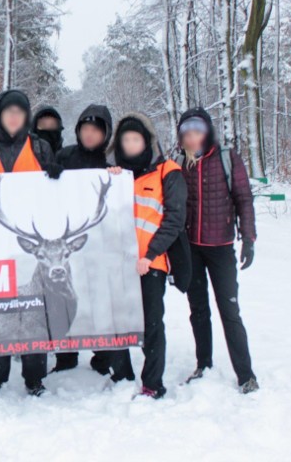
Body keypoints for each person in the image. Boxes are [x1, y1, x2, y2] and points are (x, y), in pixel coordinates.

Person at [0, 89, 63, 396]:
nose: (15, 116)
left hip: (31, 242)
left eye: (21, 111)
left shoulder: (39, 145)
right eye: (9, 111)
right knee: (1, 310)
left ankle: (35, 377)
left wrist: (58, 175)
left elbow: (56, 195)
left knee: (34, 311)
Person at [176, 107, 259, 394]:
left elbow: (244, 198)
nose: (192, 137)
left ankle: (245, 374)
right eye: (186, 132)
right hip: (191, 250)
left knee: (229, 310)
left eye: (197, 131)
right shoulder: (180, 163)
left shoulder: (226, 158)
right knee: (198, 309)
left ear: (207, 132)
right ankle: (204, 364)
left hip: (221, 248)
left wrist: (248, 238)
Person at [108, 113, 187, 399]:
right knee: (117, 322)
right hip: (119, 264)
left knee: (151, 324)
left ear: (146, 141)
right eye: (125, 140)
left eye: (136, 139)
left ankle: (153, 382)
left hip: (151, 263)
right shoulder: (114, 175)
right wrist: (109, 178)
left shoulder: (168, 171)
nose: (131, 145)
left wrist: (150, 254)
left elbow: (174, 219)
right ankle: (121, 375)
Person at [49, 104, 116, 375]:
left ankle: (102, 356)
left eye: (96, 131)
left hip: (98, 241)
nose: (89, 135)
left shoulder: (110, 164)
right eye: (85, 129)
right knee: (64, 297)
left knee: (99, 295)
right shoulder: (64, 155)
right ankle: (66, 356)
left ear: (105, 135)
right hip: (65, 239)